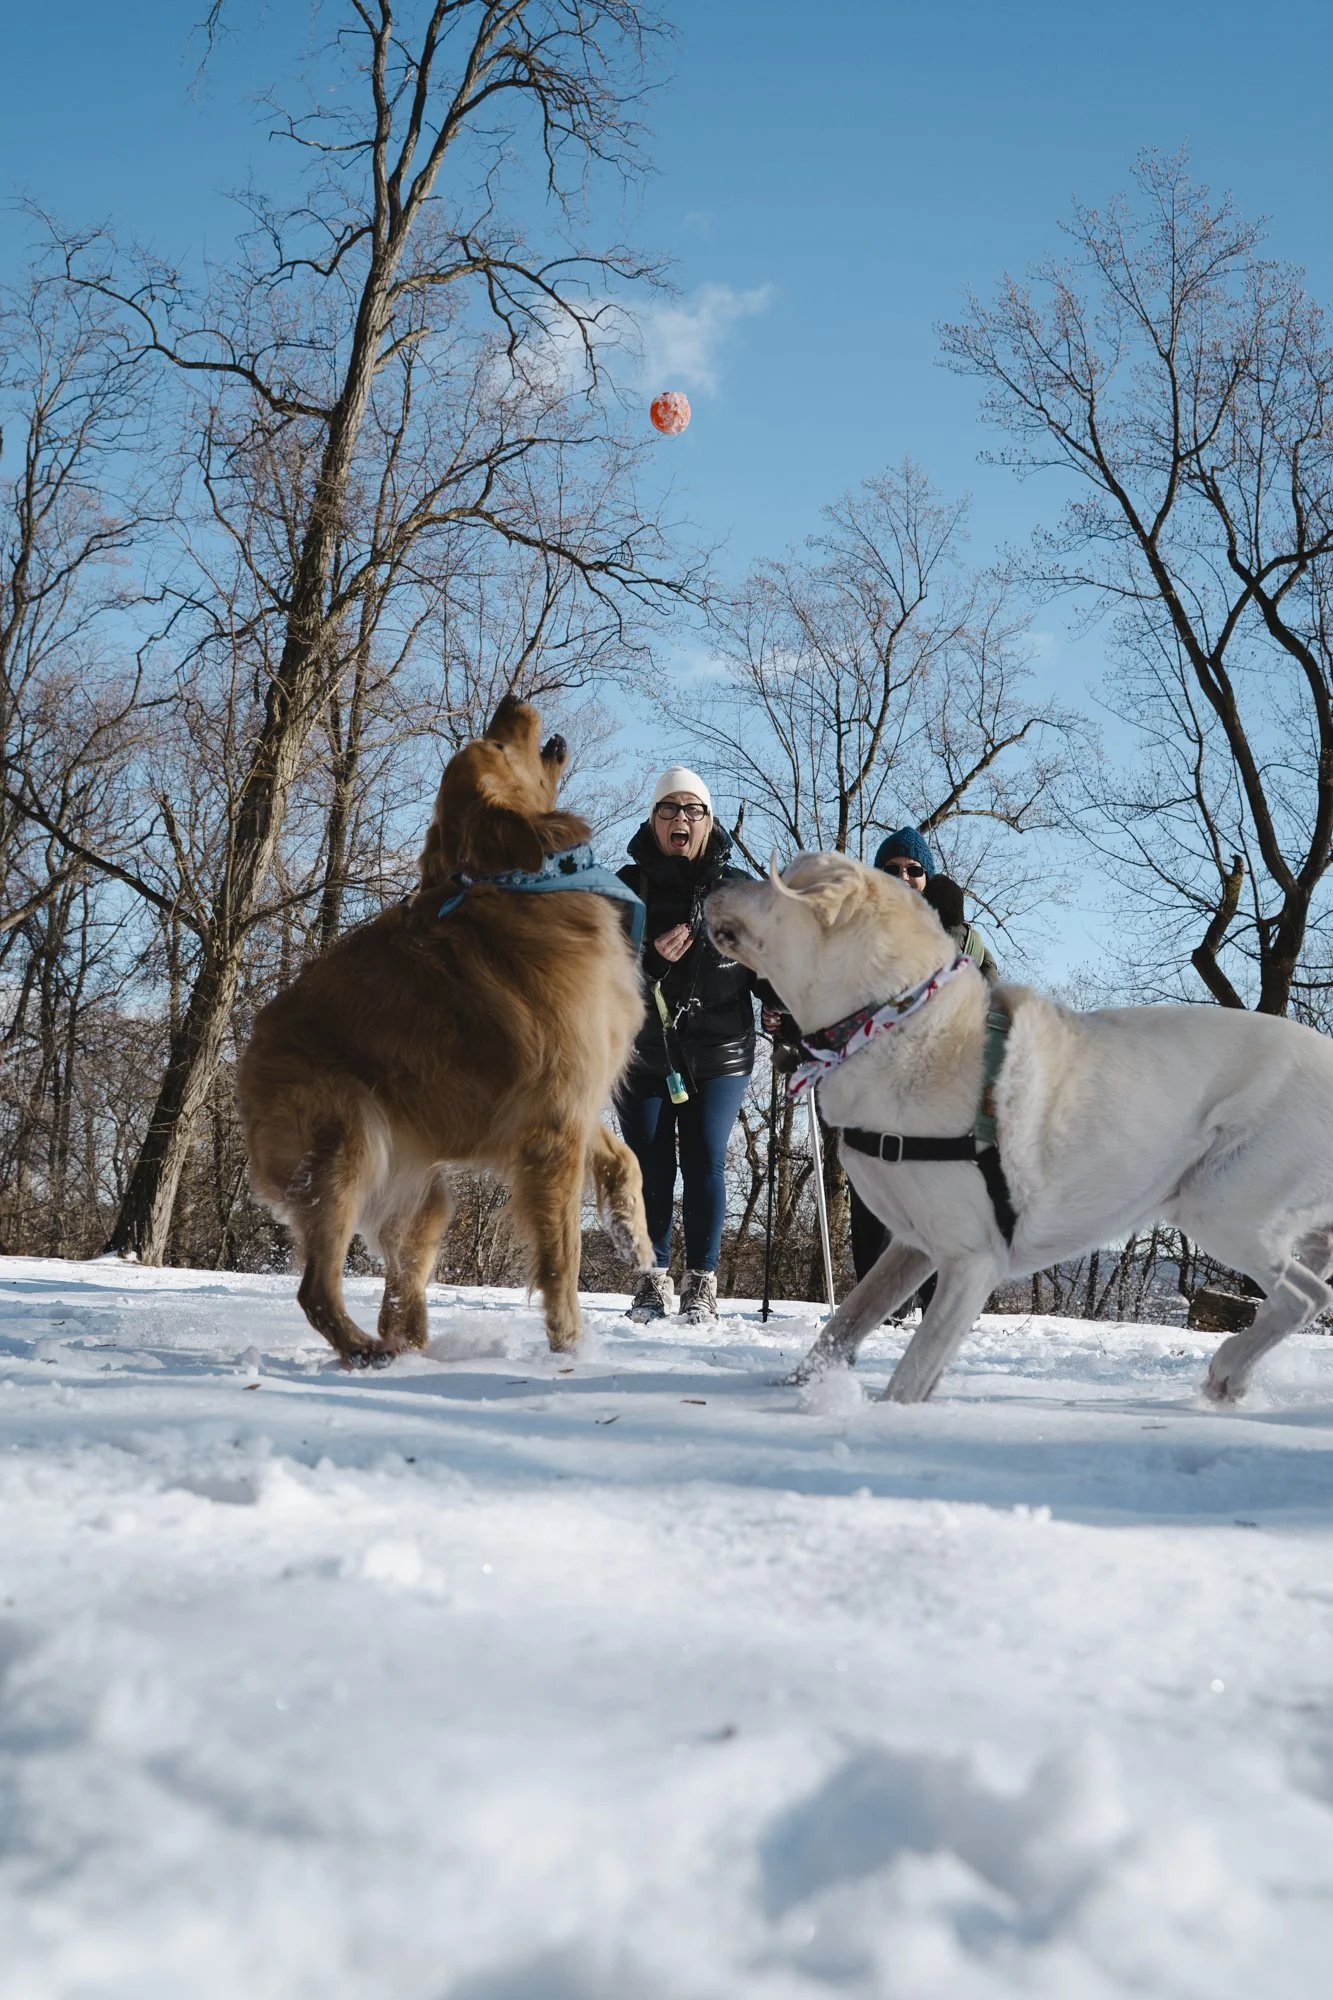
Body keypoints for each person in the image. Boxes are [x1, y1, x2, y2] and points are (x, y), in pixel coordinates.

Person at [616, 767, 758, 1324]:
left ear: (709, 820)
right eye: (669, 810)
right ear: (652, 821)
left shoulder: (738, 891)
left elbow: (766, 966)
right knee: (649, 1164)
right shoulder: (624, 889)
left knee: (703, 1153)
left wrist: (780, 1003)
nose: (681, 819)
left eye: (692, 810)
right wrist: (649, 961)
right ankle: (652, 1281)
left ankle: (701, 1281)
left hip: (721, 1049)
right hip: (642, 1049)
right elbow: (597, 980)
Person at [848, 829, 1001, 1293]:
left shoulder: (965, 939)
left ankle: (936, 1296)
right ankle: (878, 1300)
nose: (903, 876)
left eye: (914, 870)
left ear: (927, 879)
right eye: (892, 869)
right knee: (874, 1190)